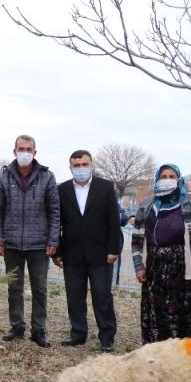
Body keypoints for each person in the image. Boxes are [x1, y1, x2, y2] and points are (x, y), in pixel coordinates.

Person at [0, 134, 60, 347]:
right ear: (14, 151)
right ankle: (17, 326)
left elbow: (54, 210)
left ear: (35, 152)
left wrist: (53, 239)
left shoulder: (47, 177)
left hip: (39, 244)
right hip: (11, 244)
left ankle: (39, 331)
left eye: (29, 149)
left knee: (40, 288)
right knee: (14, 288)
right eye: (21, 149)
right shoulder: (3, 177)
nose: (25, 152)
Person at [131, 164, 191, 344]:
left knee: (185, 313)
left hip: (184, 268)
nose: (167, 180)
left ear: (179, 179)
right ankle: (156, 353)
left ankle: (184, 355)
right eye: (164, 176)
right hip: (155, 268)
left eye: (171, 176)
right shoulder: (147, 205)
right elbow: (136, 239)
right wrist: (139, 266)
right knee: (156, 311)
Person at [52, 150, 119, 352]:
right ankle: (78, 333)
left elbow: (113, 220)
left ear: (91, 164)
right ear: (70, 167)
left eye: (84, 164)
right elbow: (58, 222)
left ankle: (107, 337)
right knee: (74, 296)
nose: (81, 168)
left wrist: (113, 249)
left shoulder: (105, 187)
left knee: (102, 296)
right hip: (72, 253)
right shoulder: (61, 190)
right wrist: (57, 251)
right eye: (76, 165)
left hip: (100, 253)